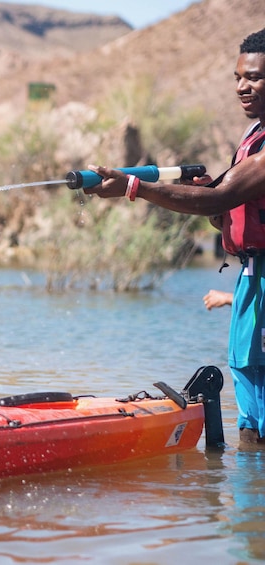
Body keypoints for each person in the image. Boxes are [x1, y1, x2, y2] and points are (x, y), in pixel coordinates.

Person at [84, 27, 265, 446]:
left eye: (254, 77)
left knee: (260, 393)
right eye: (238, 77)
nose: (242, 87)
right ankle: (249, 500)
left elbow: (218, 197)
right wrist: (201, 194)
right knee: (250, 404)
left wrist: (134, 186)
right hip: (251, 279)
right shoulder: (252, 137)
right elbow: (221, 210)